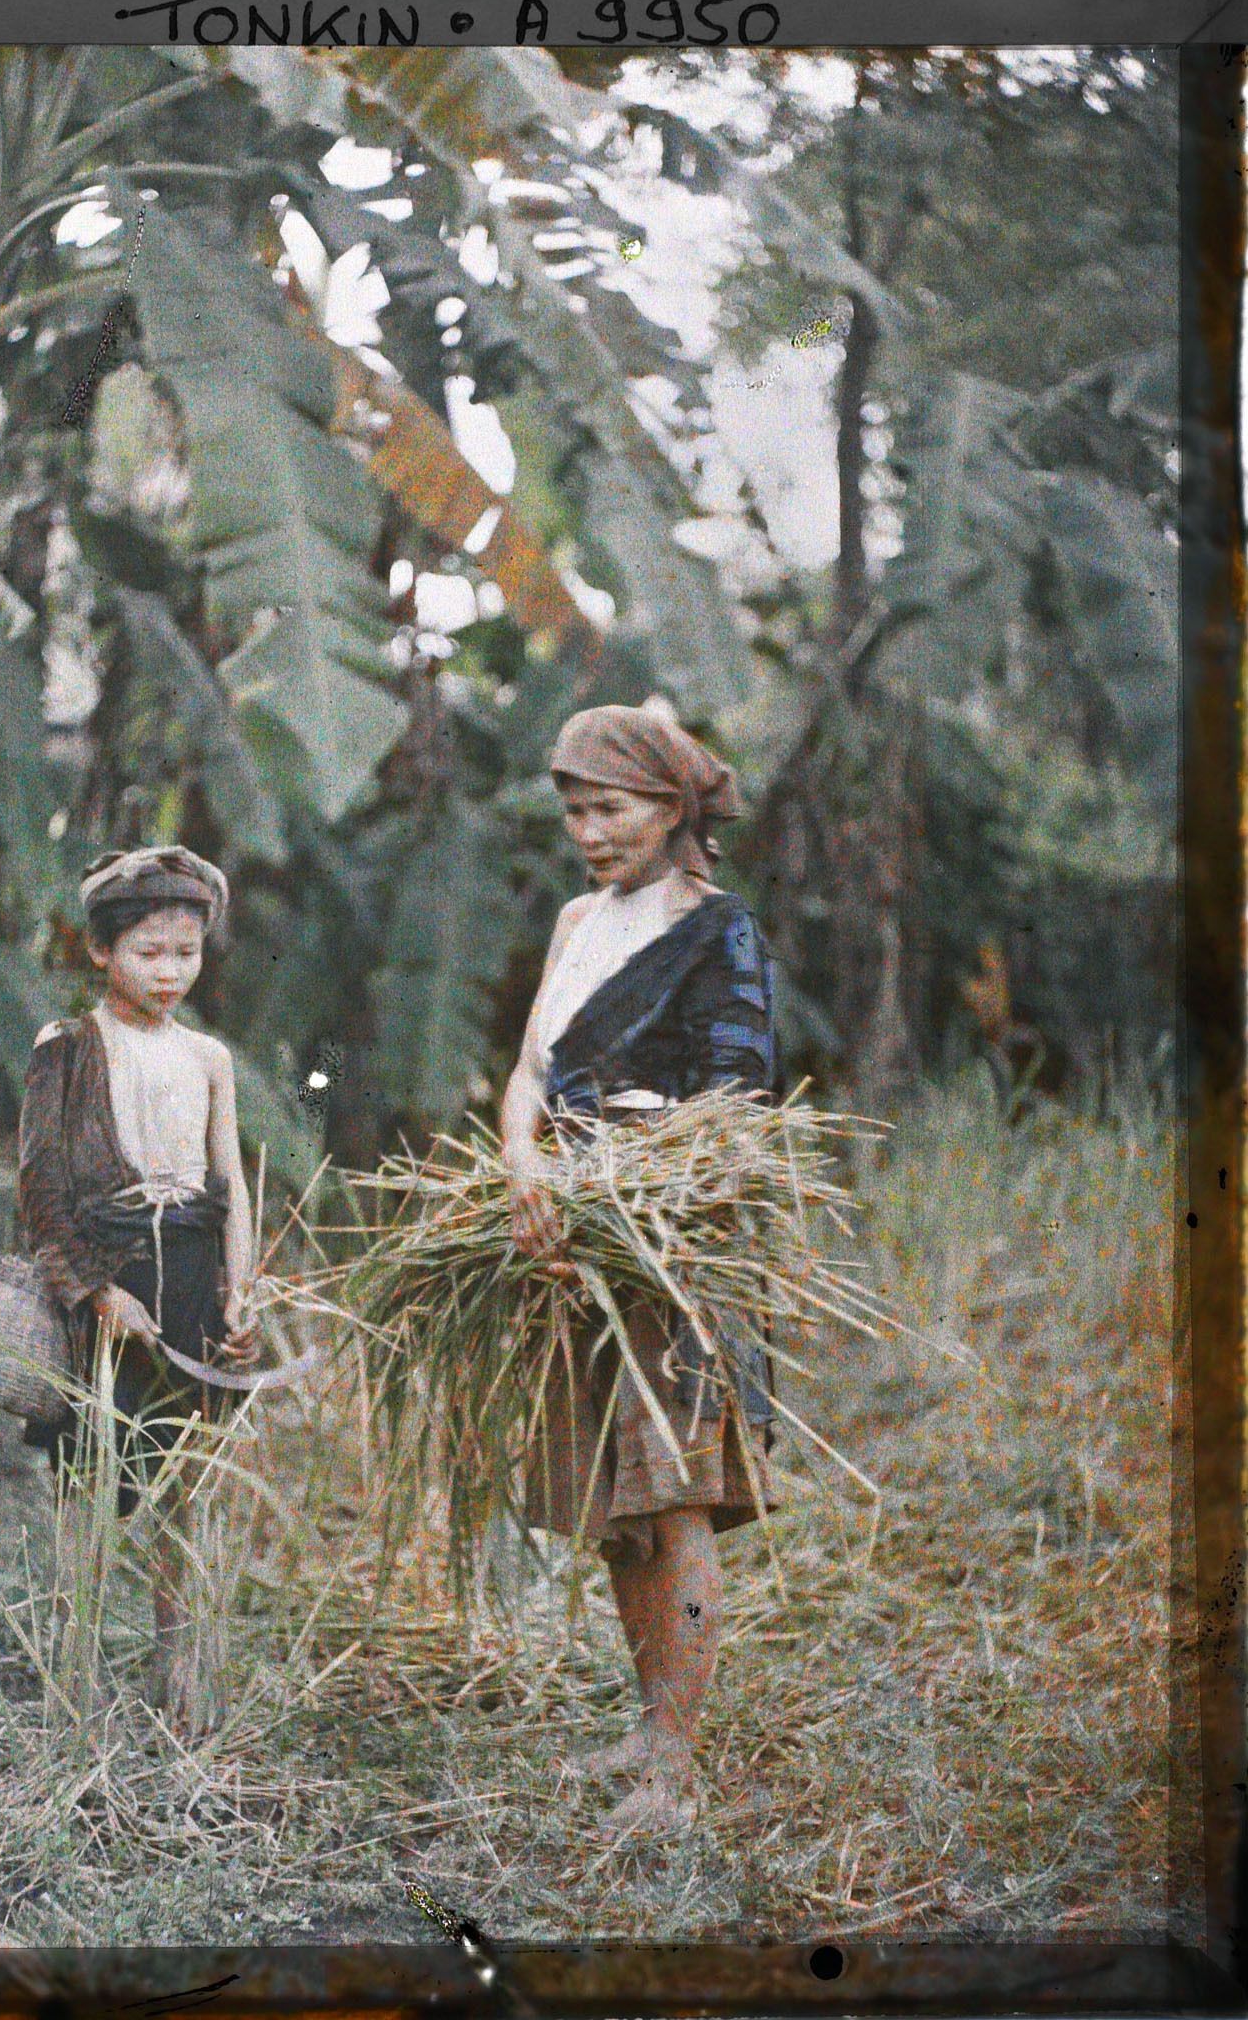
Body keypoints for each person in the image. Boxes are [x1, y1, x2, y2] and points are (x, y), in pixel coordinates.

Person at [500, 702, 780, 1837]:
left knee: (673, 1497)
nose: (588, 832)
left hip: (671, 1239)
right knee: (614, 1507)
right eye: (573, 811)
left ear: (670, 809)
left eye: (608, 809)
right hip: (568, 1237)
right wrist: (523, 1159)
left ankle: (675, 1763)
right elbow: (528, 1068)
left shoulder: (722, 934)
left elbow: (738, 1105)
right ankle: (645, 1721)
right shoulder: (576, 919)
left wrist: (629, 1179)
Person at [17, 845, 260, 1728]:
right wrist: (91, 1293)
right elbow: (40, 1193)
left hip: (190, 1275)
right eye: (148, 952)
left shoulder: (208, 1056)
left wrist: (240, 1294)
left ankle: (180, 1681)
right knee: (89, 1482)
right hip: (106, 1279)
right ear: (99, 951)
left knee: (182, 1480)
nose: (169, 972)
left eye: (185, 952)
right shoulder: (69, 1047)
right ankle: (71, 1686)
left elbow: (227, 1180)